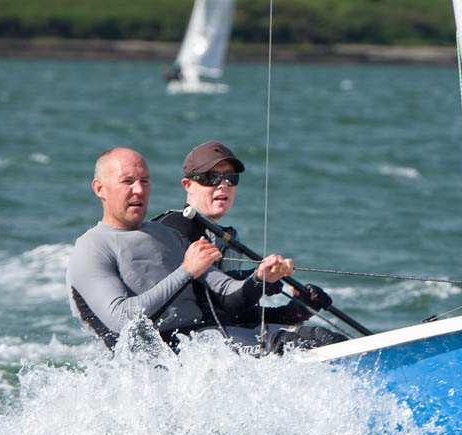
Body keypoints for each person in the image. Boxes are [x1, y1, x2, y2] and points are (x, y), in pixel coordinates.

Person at [67, 147, 311, 355]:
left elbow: (226, 290)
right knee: (292, 344)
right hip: (158, 356)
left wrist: (261, 277)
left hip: (202, 339)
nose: (139, 190)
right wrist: (186, 271)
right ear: (100, 189)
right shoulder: (91, 247)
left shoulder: (167, 236)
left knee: (317, 337)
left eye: (145, 181)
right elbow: (122, 319)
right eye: (128, 181)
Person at [152, 141, 345, 345]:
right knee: (304, 341)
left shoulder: (226, 237)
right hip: (183, 343)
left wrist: (298, 309)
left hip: (219, 332)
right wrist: (259, 280)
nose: (223, 184)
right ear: (188, 185)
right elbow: (221, 300)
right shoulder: (176, 228)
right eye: (211, 178)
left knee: (325, 337)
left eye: (230, 178)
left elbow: (236, 314)